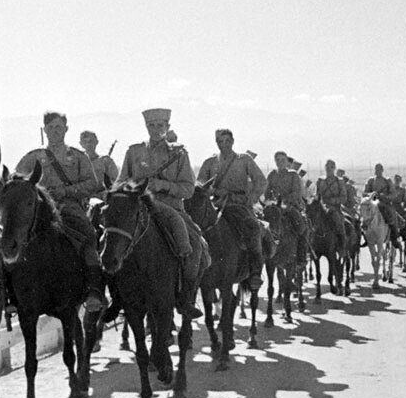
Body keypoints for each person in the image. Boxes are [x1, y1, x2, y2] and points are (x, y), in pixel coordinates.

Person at [118, 108, 204, 319]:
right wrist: (134, 188)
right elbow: (120, 182)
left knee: (193, 244)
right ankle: (114, 295)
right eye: (151, 125)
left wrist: (162, 185)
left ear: (167, 127)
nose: (155, 129)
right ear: (146, 127)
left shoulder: (179, 154)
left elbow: (188, 189)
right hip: (139, 207)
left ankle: (185, 297)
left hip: (170, 208)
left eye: (160, 125)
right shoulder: (134, 152)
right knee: (111, 239)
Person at [16, 112, 103, 312]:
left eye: (59, 127)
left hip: (69, 206)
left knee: (88, 235)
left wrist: (66, 191)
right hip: (40, 210)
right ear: (45, 130)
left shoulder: (78, 156)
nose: (55, 131)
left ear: (66, 129)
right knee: (16, 239)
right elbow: (17, 180)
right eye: (51, 127)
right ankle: (13, 293)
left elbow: (92, 183)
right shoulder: (32, 157)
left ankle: (93, 289)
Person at [198, 128, 267, 289]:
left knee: (253, 228)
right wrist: (214, 191)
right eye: (220, 141)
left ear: (233, 141)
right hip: (215, 205)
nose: (224, 144)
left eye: (227, 141)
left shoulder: (244, 160)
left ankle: (255, 272)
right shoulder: (209, 162)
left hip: (239, 205)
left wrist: (251, 198)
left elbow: (261, 181)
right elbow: (200, 185)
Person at [363, 163, 401, 248]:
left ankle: (394, 237)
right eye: (376, 170)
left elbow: (393, 194)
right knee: (364, 214)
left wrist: (385, 197)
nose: (377, 172)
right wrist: (371, 194)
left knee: (392, 215)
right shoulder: (371, 181)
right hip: (372, 203)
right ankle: (366, 236)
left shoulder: (387, 181)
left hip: (385, 203)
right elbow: (364, 193)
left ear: (382, 170)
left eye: (379, 170)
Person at [315, 160, 347, 252]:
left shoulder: (339, 181)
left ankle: (342, 247)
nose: (329, 169)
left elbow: (344, 198)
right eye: (327, 167)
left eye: (331, 167)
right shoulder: (320, 180)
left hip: (334, 208)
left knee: (339, 225)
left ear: (334, 168)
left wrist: (334, 200)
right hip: (321, 207)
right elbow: (317, 195)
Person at [79, 131, 118, 198]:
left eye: (91, 141)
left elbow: (116, 181)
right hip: (82, 197)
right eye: (85, 142)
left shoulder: (105, 161)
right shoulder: (76, 163)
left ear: (96, 142)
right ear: (81, 144)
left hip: (101, 196)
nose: (88, 144)